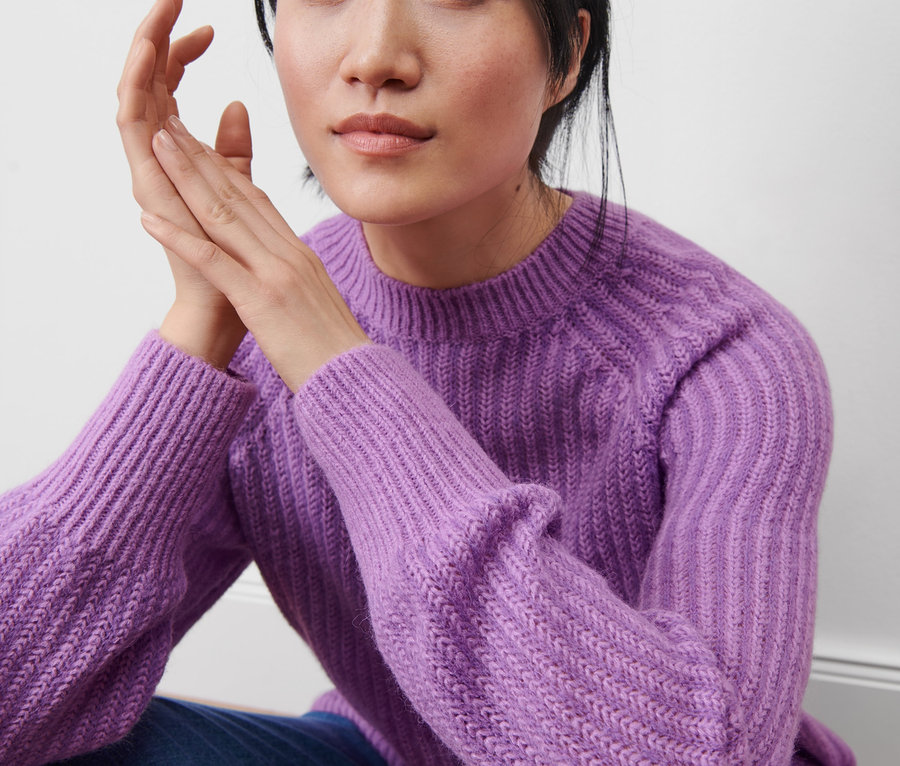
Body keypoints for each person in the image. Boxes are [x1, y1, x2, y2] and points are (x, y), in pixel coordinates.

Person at [0, 0, 856, 763]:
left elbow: (700, 756)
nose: (376, 55)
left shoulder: (728, 357)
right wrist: (203, 319)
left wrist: (337, 366)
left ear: (564, 56)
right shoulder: (265, 320)